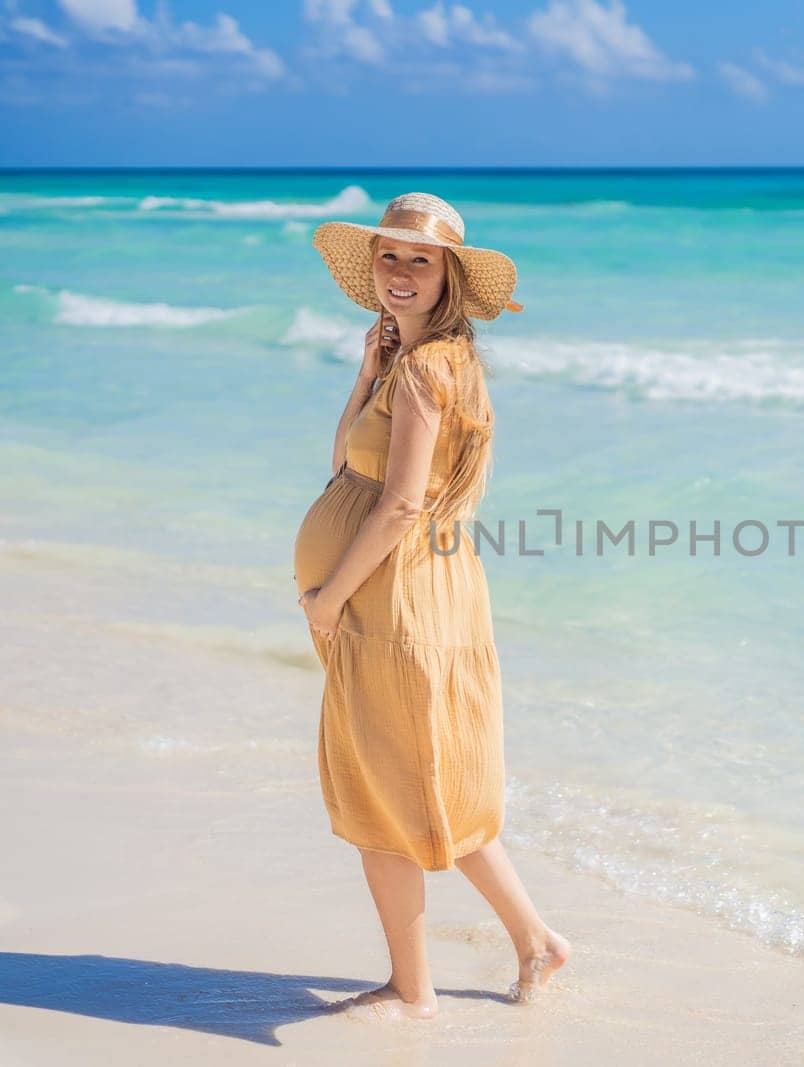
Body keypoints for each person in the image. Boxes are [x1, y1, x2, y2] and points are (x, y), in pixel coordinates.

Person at [292, 191, 569, 1020]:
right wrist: (366, 372)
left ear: (449, 276)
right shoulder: (415, 361)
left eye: (421, 259)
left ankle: (414, 993)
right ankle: (538, 942)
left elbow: (402, 504)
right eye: (390, 256)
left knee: (385, 796)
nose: (401, 272)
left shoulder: (429, 368)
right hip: (405, 597)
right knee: (426, 784)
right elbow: (345, 463)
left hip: (393, 599)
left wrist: (327, 597)